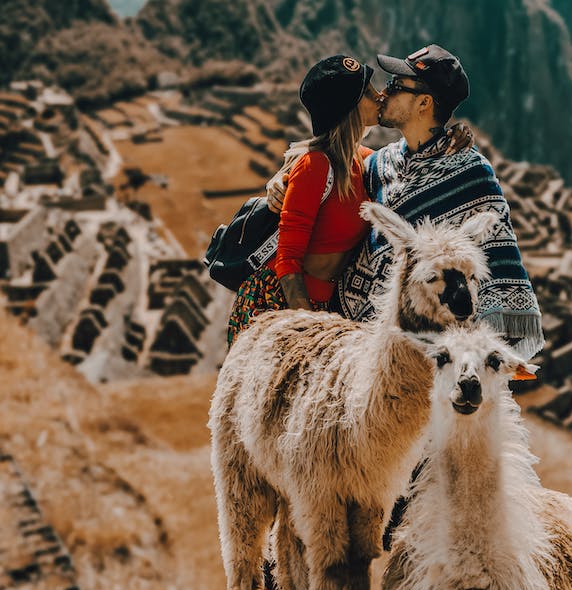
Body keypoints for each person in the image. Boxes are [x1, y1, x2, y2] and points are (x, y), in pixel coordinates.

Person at [269, 44, 544, 362]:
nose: (384, 93)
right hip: (354, 336)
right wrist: (282, 177)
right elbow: (324, 159)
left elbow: (498, 264)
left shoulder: (470, 172)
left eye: (396, 86)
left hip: (430, 348)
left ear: (424, 103)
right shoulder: (379, 164)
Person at [226, 54, 381, 346]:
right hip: (276, 307)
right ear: (348, 107)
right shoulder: (315, 166)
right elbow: (288, 260)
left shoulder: (368, 162)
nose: (380, 95)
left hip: (327, 310)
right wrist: (312, 330)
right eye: (368, 93)